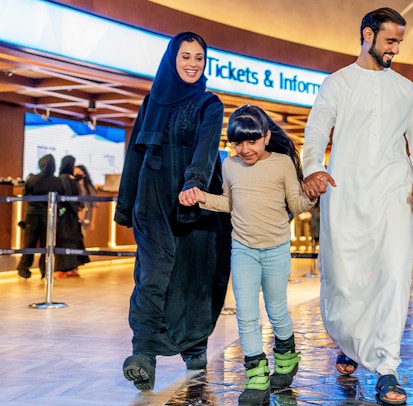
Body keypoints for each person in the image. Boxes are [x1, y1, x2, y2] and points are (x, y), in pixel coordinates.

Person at [301, 7, 413, 405]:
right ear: (367, 35)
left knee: (394, 274)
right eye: (390, 40)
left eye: (399, 42)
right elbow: (316, 131)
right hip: (346, 191)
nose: (395, 49)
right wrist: (314, 168)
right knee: (344, 277)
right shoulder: (337, 83)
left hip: (394, 192)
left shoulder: (406, 89)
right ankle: (351, 340)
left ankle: (387, 366)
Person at [115, 31, 232, 391]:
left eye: (199, 58)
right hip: (152, 202)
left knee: (194, 276)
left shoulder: (209, 104)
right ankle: (143, 353)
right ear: (172, 58)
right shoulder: (152, 101)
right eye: (186, 56)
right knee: (151, 275)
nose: (193, 64)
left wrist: (194, 183)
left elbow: (207, 148)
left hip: (195, 202)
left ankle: (195, 346)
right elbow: (136, 154)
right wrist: (126, 204)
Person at [179, 104, 314, 405]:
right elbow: (229, 203)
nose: (244, 149)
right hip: (243, 249)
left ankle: (287, 357)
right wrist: (200, 197)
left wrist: (312, 195)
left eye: (251, 141)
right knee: (246, 313)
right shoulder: (229, 165)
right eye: (238, 142)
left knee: (277, 310)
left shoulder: (281, 164)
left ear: (266, 137)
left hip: (277, 249)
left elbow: (295, 205)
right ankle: (256, 376)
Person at [17, 154, 64, 279]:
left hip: (32, 215)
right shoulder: (57, 181)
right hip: (48, 216)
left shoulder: (32, 179)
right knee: (47, 245)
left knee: (29, 243)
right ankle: (46, 272)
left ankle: (24, 269)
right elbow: (61, 199)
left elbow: (25, 194)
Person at [55, 155, 90, 278]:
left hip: (72, 216)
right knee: (66, 241)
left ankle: (71, 267)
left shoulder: (71, 179)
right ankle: (63, 269)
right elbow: (68, 196)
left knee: (74, 240)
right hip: (67, 217)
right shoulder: (64, 178)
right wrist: (77, 210)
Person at [73, 164, 98, 236]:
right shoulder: (73, 185)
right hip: (75, 217)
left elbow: (94, 206)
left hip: (86, 217)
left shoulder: (89, 188)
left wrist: (93, 222)